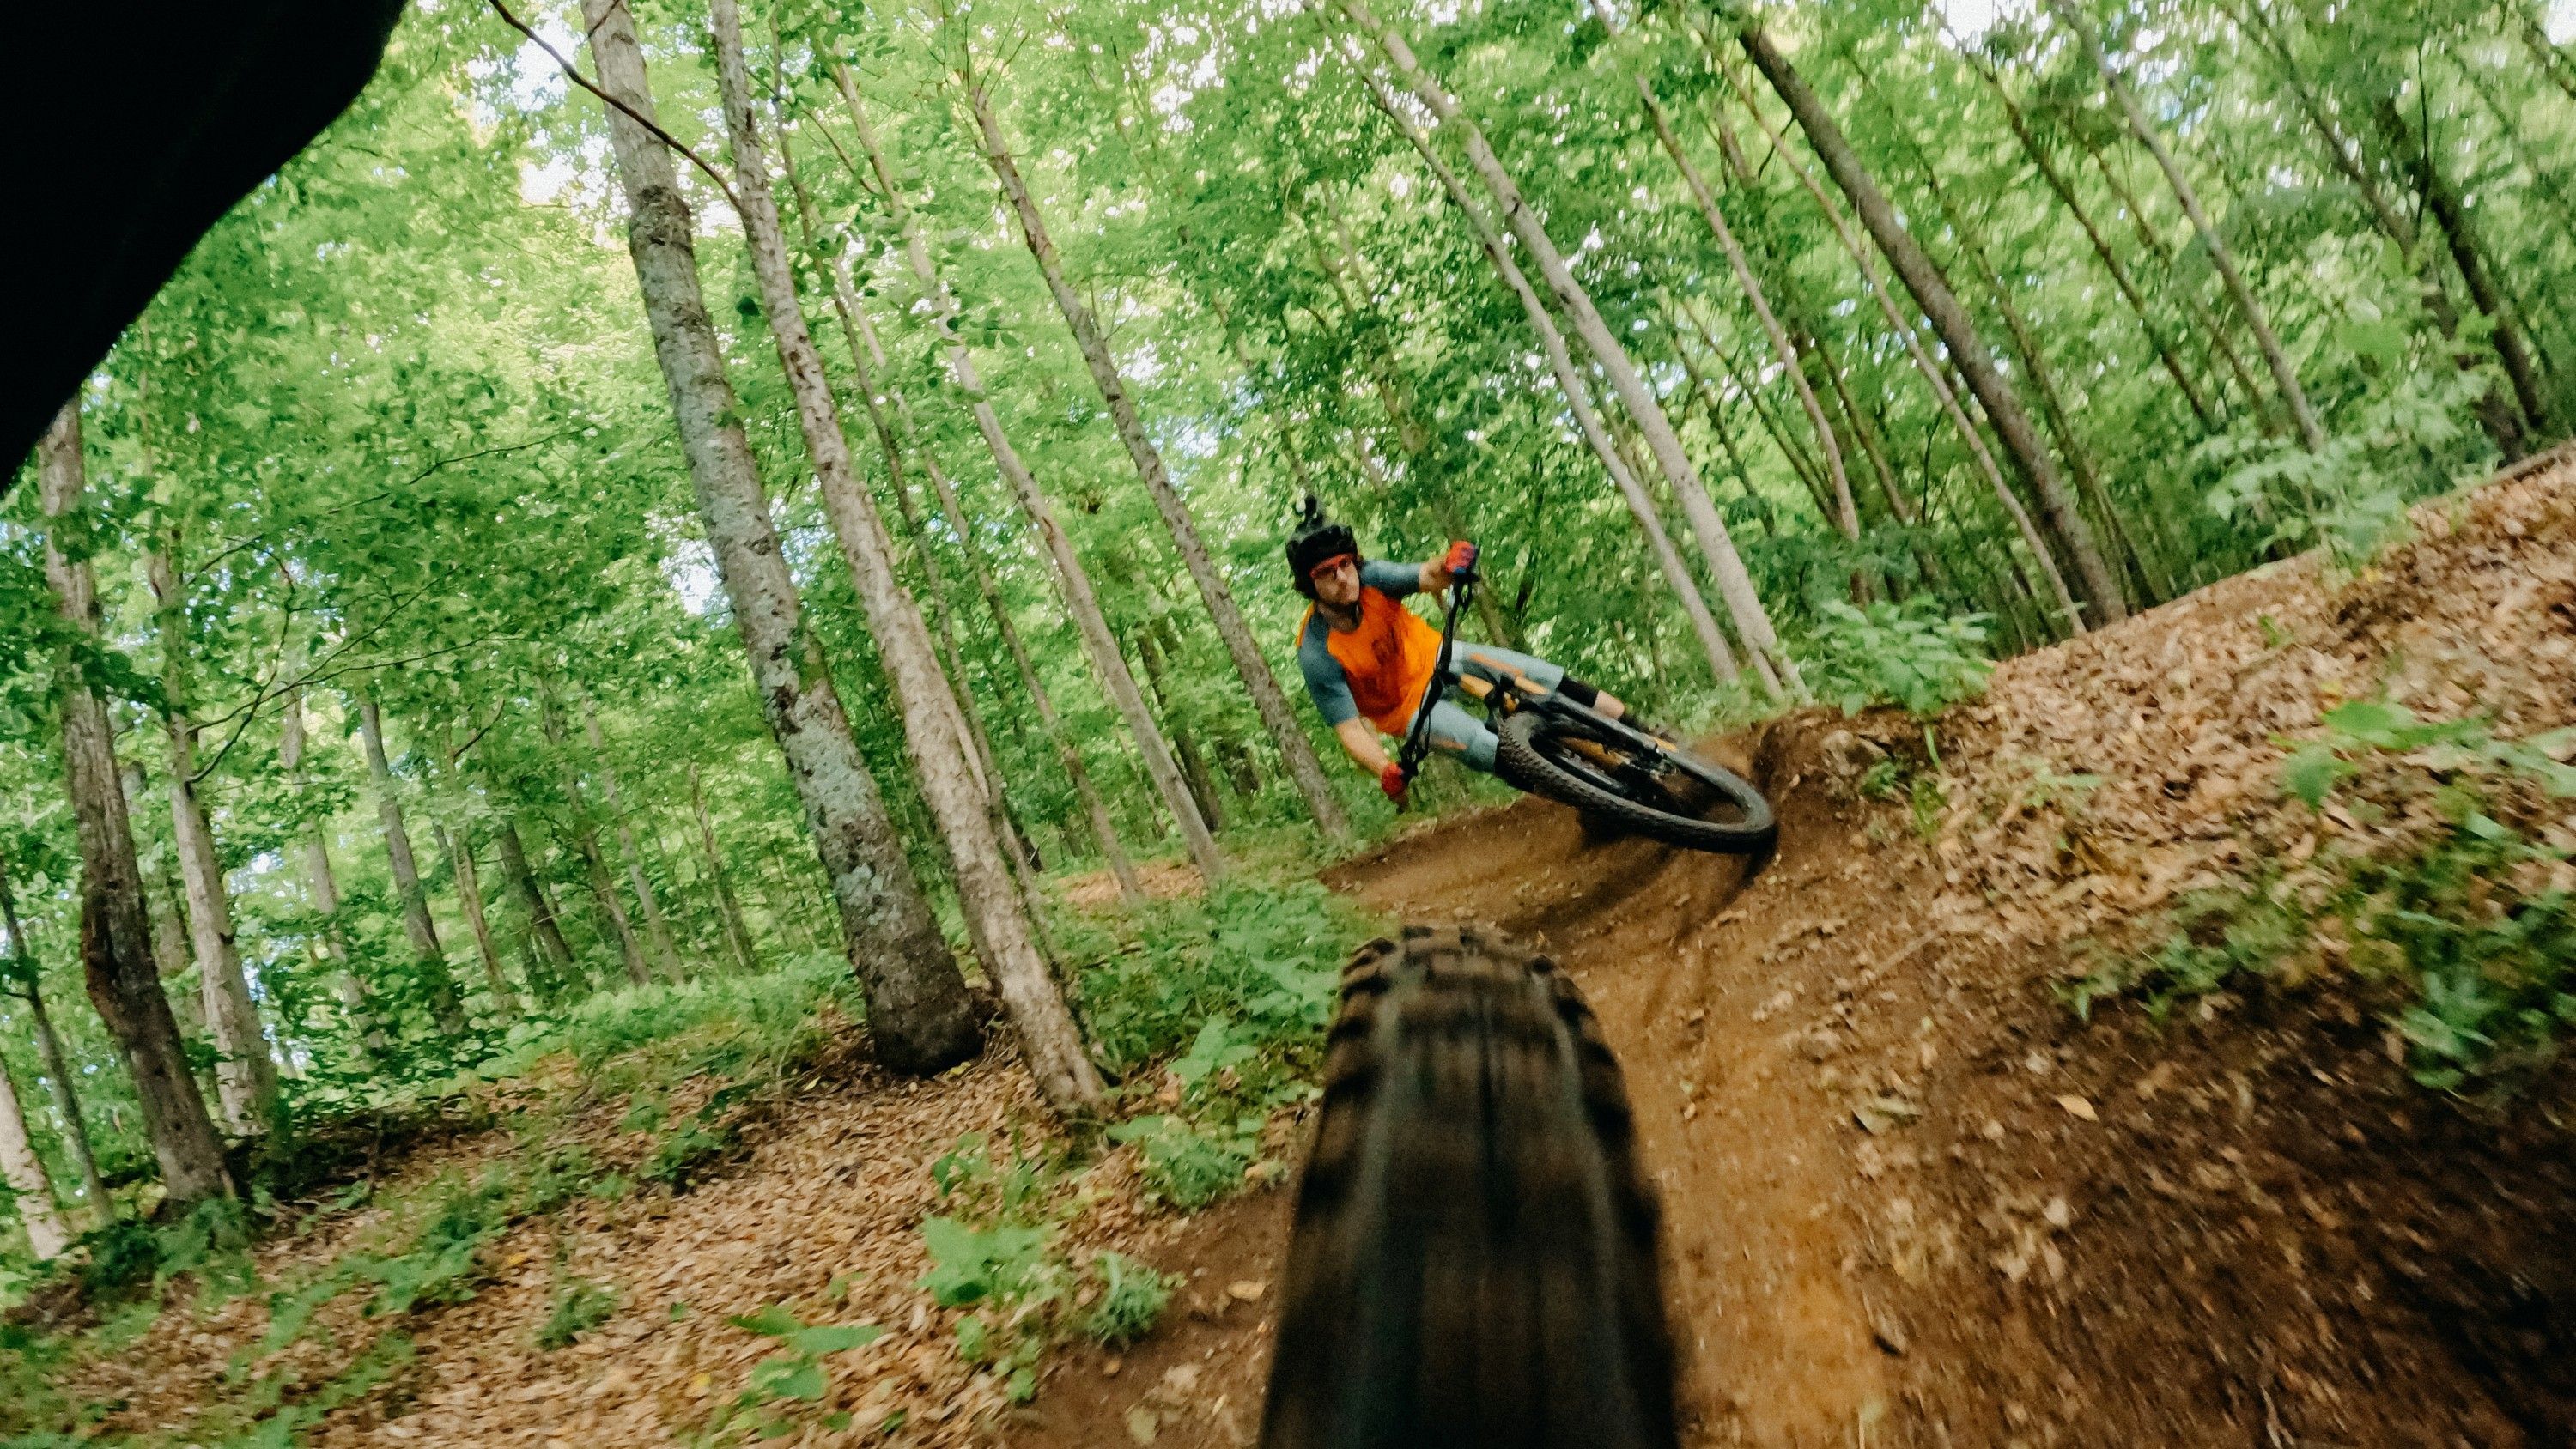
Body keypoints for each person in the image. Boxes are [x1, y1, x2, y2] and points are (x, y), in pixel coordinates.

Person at [1284, 499, 1629, 803]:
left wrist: (1451, 564)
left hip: (1438, 655)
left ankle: (1639, 729)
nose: (1343, 578)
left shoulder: (1372, 577)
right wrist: (1385, 769)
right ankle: (1587, 801)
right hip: (1408, 711)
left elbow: (1428, 575)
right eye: (1326, 573)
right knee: (1482, 746)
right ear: (1308, 586)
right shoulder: (1316, 651)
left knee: (1536, 675)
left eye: (1345, 564)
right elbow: (1350, 731)